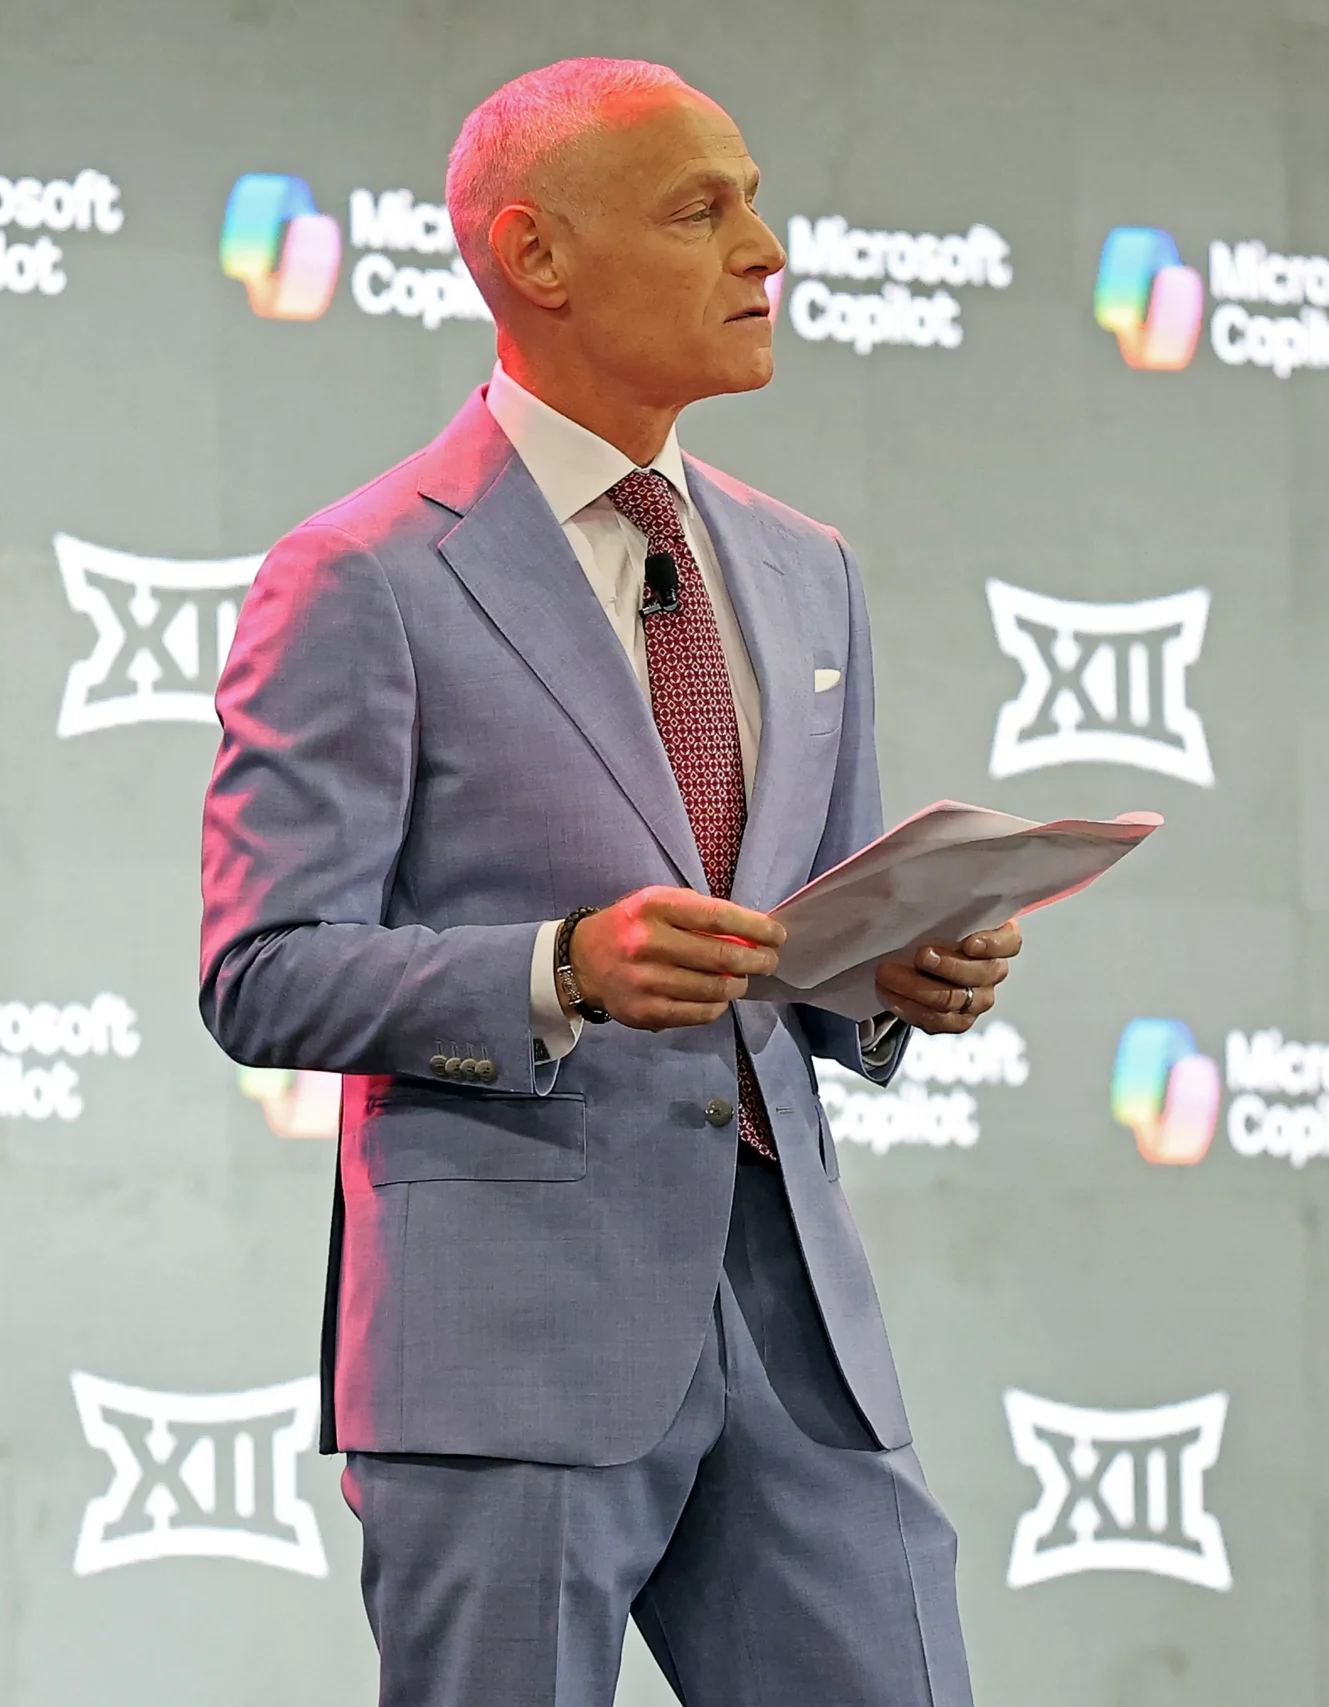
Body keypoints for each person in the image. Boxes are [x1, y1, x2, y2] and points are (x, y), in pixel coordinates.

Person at [199, 55, 1019, 1707]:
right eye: (702, 210)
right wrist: (561, 966)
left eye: (757, 202)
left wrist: (895, 975)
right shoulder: (364, 574)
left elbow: (812, 932)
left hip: (799, 1331)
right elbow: (262, 967)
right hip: (508, 1349)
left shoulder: (806, 567)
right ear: (537, 255)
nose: (765, 248)